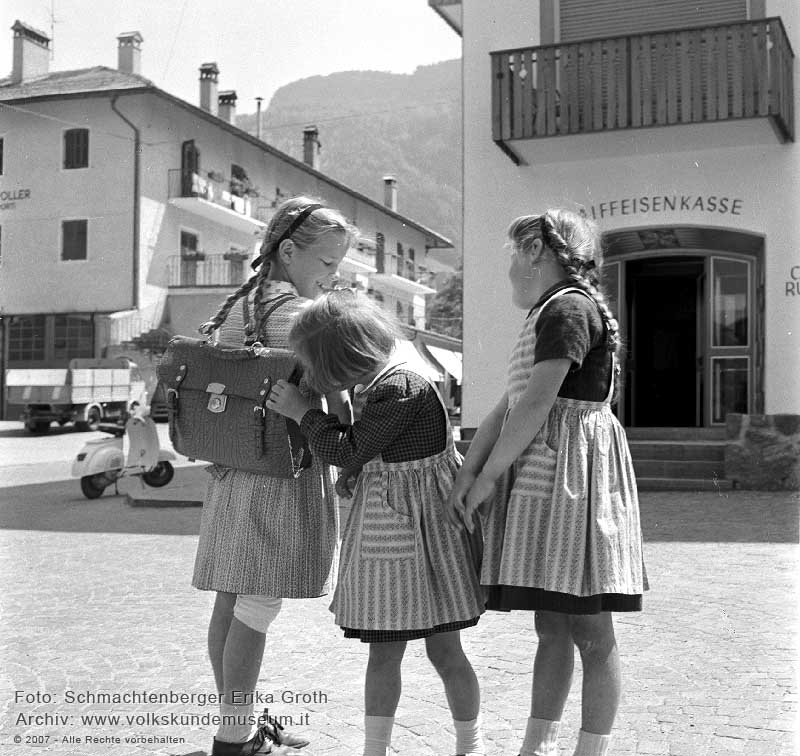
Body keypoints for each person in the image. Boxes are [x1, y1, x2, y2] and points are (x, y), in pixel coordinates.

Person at [448, 209, 647, 756]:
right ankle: (536, 747)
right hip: (548, 480)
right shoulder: (548, 311)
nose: (509, 266)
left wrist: (489, 476)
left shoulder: (569, 309)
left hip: (573, 481)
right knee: (553, 625)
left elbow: (538, 403)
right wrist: (470, 467)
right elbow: (510, 403)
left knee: (591, 630)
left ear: (536, 250)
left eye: (513, 252)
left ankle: (589, 751)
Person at [266, 290, 487, 756]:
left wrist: (303, 412)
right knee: (434, 652)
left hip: (414, 532)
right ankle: (420, 748)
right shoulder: (389, 381)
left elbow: (347, 447)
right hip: (415, 528)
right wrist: (362, 468)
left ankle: (463, 746)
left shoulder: (397, 389)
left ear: (340, 364)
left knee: (415, 652)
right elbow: (374, 449)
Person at [191, 197, 358, 756]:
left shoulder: (233, 309)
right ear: (289, 251)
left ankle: (237, 721)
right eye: (328, 263)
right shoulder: (311, 318)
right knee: (257, 610)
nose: (333, 275)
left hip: (229, 469)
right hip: (281, 475)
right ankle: (234, 737)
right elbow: (340, 410)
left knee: (229, 603)